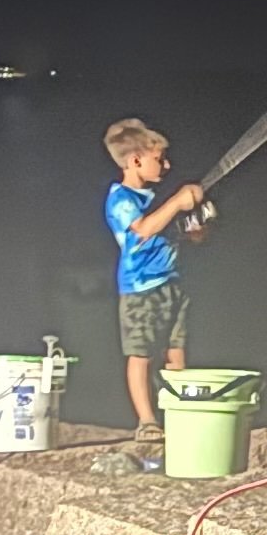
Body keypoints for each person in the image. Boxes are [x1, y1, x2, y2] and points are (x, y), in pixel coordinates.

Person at [101, 117, 208, 437]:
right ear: (135, 161)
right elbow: (144, 230)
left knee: (176, 350)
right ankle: (147, 421)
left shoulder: (154, 199)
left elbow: (175, 233)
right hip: (140, 288)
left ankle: (179, 415)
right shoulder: (121, 199)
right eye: (159, 159)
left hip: (171, 284)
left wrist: (196, 227)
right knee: (141, 353)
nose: (166, 165)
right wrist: (178, 201)